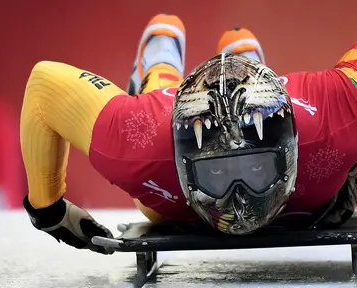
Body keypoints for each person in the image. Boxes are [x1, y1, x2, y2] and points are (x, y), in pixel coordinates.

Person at [21, 14, 357, 254]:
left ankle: (166, 65)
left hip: (184, 195)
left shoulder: (338, 115)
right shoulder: (140, 142)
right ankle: (162, 68)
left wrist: (48, 210)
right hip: (315, 188)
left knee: (153, 206)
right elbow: (43, 83)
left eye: (256, 169)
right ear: (180, 162)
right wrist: (48, 210)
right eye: (217, 173)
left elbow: (45, 85)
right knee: (154, 206)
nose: (237, 205)